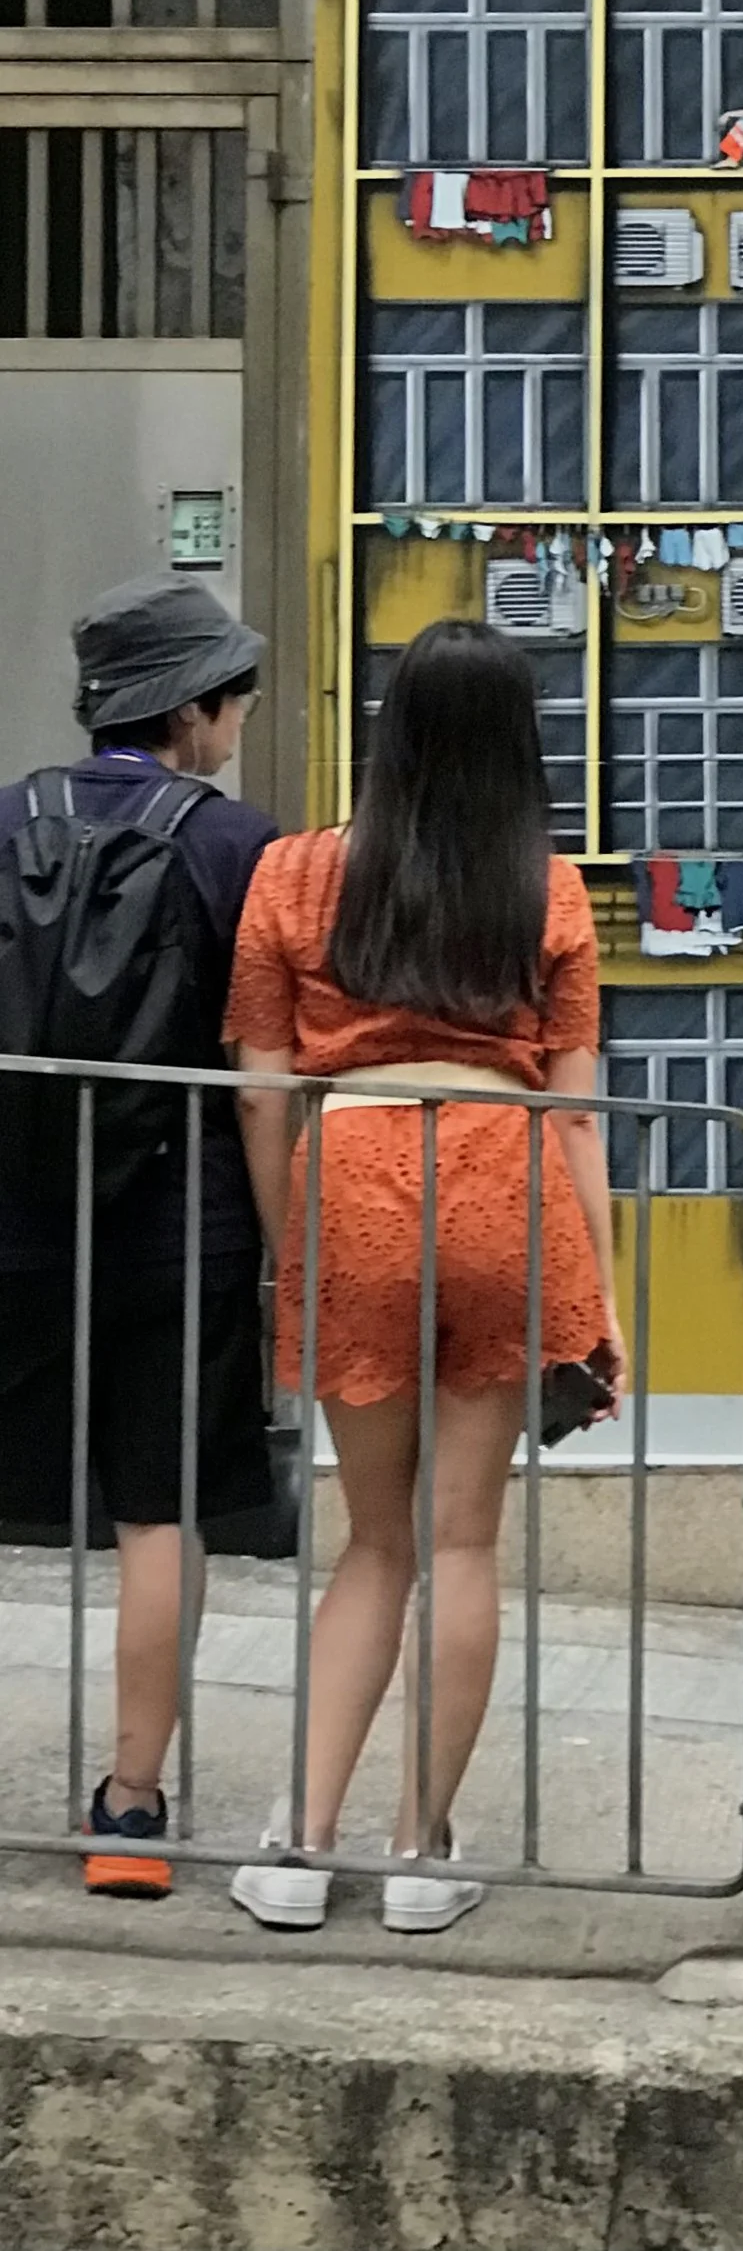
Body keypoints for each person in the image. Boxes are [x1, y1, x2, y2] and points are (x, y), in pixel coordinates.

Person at [224, 621, 622, 1936]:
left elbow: (261, 1092)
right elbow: (576, 1114)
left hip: (353, 1177)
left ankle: (300, 1841)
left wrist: (295, 1243)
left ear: (387, 732)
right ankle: (417, 1850)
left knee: (374, 1538)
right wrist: (601, 1296)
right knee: (463, 1542)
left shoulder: (291, 873)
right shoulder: (548, 892)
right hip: (507, 1178)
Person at [0, 575, 274, 1898]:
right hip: (182, 1224)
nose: (242, 718)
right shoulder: (241, 850)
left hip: (13, 1217)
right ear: (192, 709)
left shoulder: (7, 820)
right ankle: (130, 1809)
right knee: (158, 1516)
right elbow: (264, 1062)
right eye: (235, 696)